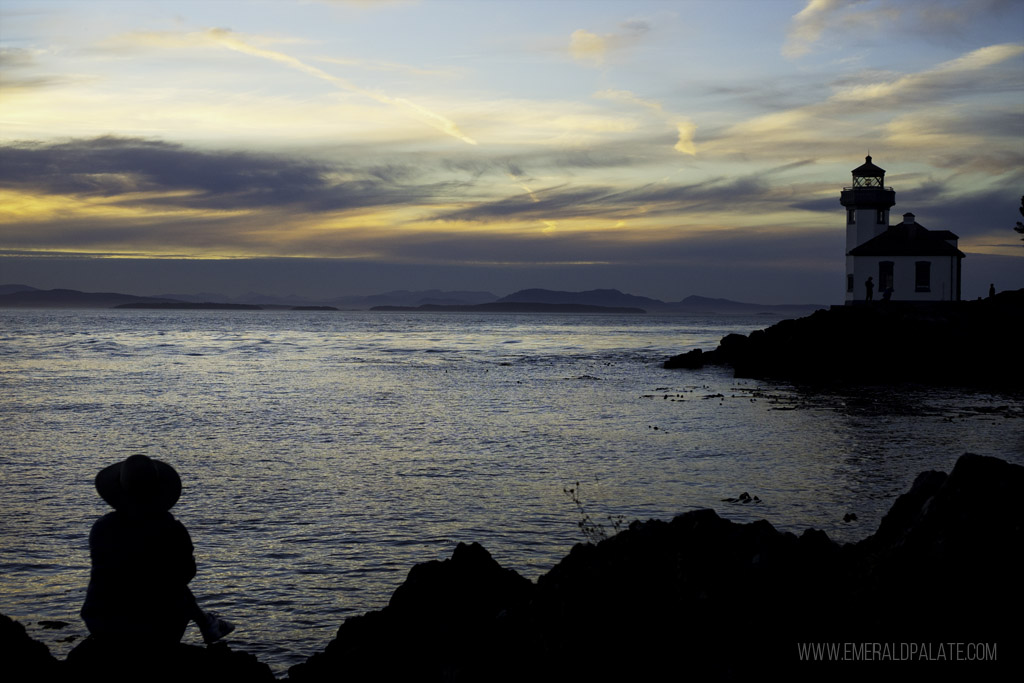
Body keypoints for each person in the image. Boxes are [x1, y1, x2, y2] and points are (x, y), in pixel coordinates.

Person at [81, 454, 233, 648]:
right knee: (170, 583)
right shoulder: (171, 530)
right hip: (156, 629)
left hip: (101, 624)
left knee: (158, 579)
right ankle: (207, 623)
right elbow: (186, 574)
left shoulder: (102, 528)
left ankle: (207, 623)